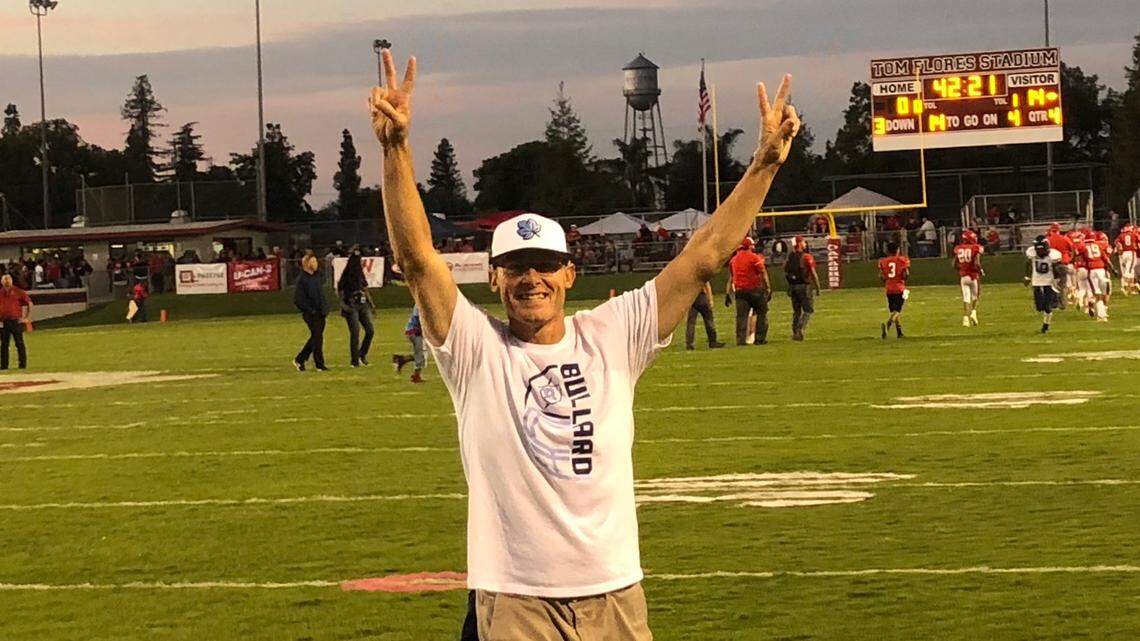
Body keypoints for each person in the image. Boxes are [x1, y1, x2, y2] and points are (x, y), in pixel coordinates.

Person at [370, 47, 800, 641]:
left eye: (545, 265)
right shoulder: (474, 352)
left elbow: (704, 256)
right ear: (493, 278)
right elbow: (417, 260)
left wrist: (764, 166)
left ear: (571, 273)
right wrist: (395, 149)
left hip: (616, 595)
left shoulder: (613, 334)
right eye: (515, 267)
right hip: (519, 602)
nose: (530, 279)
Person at [727, 237, 770, 345]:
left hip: (740, 291)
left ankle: (740, 340)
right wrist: (768, 287)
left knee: (741, 316)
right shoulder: (754, 258)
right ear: (749, 246)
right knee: (761, 313)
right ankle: (760, 339)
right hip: (754, 290)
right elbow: (762, 272)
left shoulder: (733, 260)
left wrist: (728, 292)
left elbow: (731, 277)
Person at [337, 252, 376, 367]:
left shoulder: (360, 275)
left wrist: (371, 304)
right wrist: (343, 304)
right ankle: (355, 360)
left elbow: (365, 289)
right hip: (351, 304)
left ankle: (362, 354)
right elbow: (340, 290)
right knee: (355, 333)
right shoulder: (346, 275)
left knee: (370, 330)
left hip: (362, 304)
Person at [293, 254, 329, 371]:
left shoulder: (316, 277)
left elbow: (320, 295)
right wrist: (310, 310)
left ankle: (300, 359)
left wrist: (324, 308)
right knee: (317, 337)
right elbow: (298, 299)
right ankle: (319, 364)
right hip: (311, 313)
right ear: (307, 264)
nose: (316, 264)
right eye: (313, 262)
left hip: (320, 312)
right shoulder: (302, 280)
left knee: (316, 337)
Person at [1025, 235, 1064, 333]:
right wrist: (1027, 277)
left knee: (1047, 306)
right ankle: (1053, 304)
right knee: (1039, 307)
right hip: (1036, 282)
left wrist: (1058, 281)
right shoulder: (1031, 253)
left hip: (1049, 282)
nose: (1040, 252)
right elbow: (1028, 264)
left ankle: (1046, 325)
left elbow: (1057, 269)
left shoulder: (1054, 255)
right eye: (1038, 250)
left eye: (1042, 249)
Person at [783, 235, 819, 341]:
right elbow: (813, 273)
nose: (805, 244)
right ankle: (800, 329)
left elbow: (785, 270)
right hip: (804, 286)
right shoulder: (806, 257)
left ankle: (794, 332)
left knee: (796, 311)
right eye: (803, 242)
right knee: (808, 310)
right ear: (799, 243)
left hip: (792, 286)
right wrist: (817, 287)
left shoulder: (789, 257)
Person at [1081, 230, 1115, 322]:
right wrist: (1113, 269)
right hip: (1102, 270)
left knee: (1097, 293)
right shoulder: (1099, 245)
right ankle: (1103, 311)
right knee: (1105, 292)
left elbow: (1082, 260)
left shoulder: (1084, 247)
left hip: (1092, 271)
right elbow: (1105, 258)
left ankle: (1101, 314)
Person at [0, 274, 33, 370]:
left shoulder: (18, 291)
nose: (6, 283)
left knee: (19, 343)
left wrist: (27, 317)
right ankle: (4, 366)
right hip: (4, 322)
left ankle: (22, 365)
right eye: (5, 281)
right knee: (4, 345)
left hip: (16, 321)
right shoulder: (0, 293)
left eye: (8, 281)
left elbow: (29, 303)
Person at [878, 241, 910, 339]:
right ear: (897, 250)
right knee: (897, 311)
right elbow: (906, 275)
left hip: (889, 288)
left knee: (893, 311)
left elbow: (881, 276)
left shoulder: (883, 261)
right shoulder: (902, 260)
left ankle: (899, 332)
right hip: (899, 288)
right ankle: (888, 325)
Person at [953, 229, 984, 327]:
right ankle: (973, 312)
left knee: (966, 298)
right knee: (976, 296)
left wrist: (962, 269)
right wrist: (980, 270)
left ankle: (965, 319)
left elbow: (954, 264)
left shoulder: (959, 248)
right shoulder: (975, 248)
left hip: (963, 277)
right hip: (973, 276)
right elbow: (977, 263)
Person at [685, 280, 724, 350]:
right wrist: (710, 299)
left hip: (691, 298)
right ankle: (712, 341)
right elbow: (707, 285)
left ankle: (689, 343)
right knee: (709, 320)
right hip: (701, 296)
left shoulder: (688, 275)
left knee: (691, 323)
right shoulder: (701, 273)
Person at [392, 305, 426, 383]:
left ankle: (402, 359)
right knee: (421, 354)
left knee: (421, 354)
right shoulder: (420, 304)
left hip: (415, 331)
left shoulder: (421, 303)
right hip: (414, 331)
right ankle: (416, 376)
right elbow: (419, 319)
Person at [1046, 223, 1074, 308]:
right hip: (1063, 262)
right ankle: (1062, 304)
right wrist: (1070, 259)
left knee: (1052, 284)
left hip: (1052, 263)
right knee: (1062, 285)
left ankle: (1053, 303)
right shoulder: (1064, 238)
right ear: (1059, 229)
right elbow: (1072, 249)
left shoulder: (1048, 239)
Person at [1114, 223, 1137, 296]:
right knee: (1129, 271)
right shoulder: (1133, 234)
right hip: (1131, 252)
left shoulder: (1121, 235)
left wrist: (1120, 248)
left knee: (1130, 271)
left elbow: (1116, 242)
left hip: (1123, 254)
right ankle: (1124, 284)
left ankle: (1131, 288)